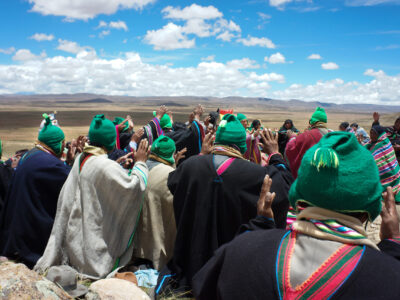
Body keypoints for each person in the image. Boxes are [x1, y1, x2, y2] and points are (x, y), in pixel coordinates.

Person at [193, 131, 400, 299]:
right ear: (368, 212)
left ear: (299, 200)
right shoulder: (390, 279)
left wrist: (259, 228)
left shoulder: (237, 252)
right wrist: (392, 247)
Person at [156, 114, 293, 296]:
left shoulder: (190, 167)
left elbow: (174, 181)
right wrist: (275, 154)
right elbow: (285, 187)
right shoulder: (257, 176)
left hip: (190, 264)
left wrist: (201, 156)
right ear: (240, 147)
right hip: (230, 268)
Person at [35, 114, 150, 279]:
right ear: (111, 141)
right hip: (94, 259)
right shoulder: (105, 165)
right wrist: (140, 163)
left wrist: (117, 166)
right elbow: (133, 186)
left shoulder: (82, 158)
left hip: (74, 247)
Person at [0, 114, 75, 268]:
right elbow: (73, 182)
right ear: (58, 143)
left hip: (17, 227)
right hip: (29, 235)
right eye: (62, 143)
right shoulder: (48, 164)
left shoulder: (30, 154)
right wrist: (72, 162)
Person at [134, 136, 185, 271]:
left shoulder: (138, 169)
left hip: (134, 248)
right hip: (157, 254)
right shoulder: (171, 175)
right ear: (172, 154)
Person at [285, 107, 330, 179]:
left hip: (310, 178)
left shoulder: (307, 135)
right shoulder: (332, 134)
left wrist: (292, 137)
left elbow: (290, 149)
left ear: (312, 121)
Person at [365, 125, 400, 202]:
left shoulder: (383, 143)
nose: (371, 135)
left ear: (379, 134)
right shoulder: (370, 143)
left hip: (390, 174)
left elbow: (375, 159)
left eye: (374, 133)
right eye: (370, 133)